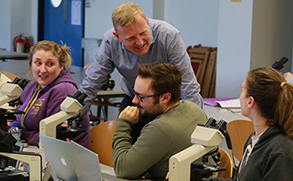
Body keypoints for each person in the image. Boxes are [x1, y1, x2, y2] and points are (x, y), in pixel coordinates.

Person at [79, 3, 203, 143]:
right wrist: (73, 115)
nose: (140, 42)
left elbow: (187, 84)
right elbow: (91, 83)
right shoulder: (110, 41)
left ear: (148, 24)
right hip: (135, 101)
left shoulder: (169, 36)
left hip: (167, 105)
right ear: (118, 36)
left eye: (143, 33)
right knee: (124, 147)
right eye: (131, 38)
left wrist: (197, 126)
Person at [112, 62, 207, 180]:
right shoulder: (194, 109)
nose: (134, 101)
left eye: (141, 97)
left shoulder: (160, 128)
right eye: (134, 94)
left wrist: (123, 124)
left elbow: (122, 170)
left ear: (165, 98)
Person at [204, 67, 293, 181]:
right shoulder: (254, 138)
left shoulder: (280, 151)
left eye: (242, 91)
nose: (240, 96)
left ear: (250, 101)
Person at [15, 40, 90, 148]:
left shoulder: (64, 90)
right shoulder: (32, 87)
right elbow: (16, 121)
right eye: (38, 63)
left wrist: (21, 134)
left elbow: (52, 136)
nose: (42, 70)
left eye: (50, 64)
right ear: (31, 64)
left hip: (66, 156)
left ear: (61, 66)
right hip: (35, 148)